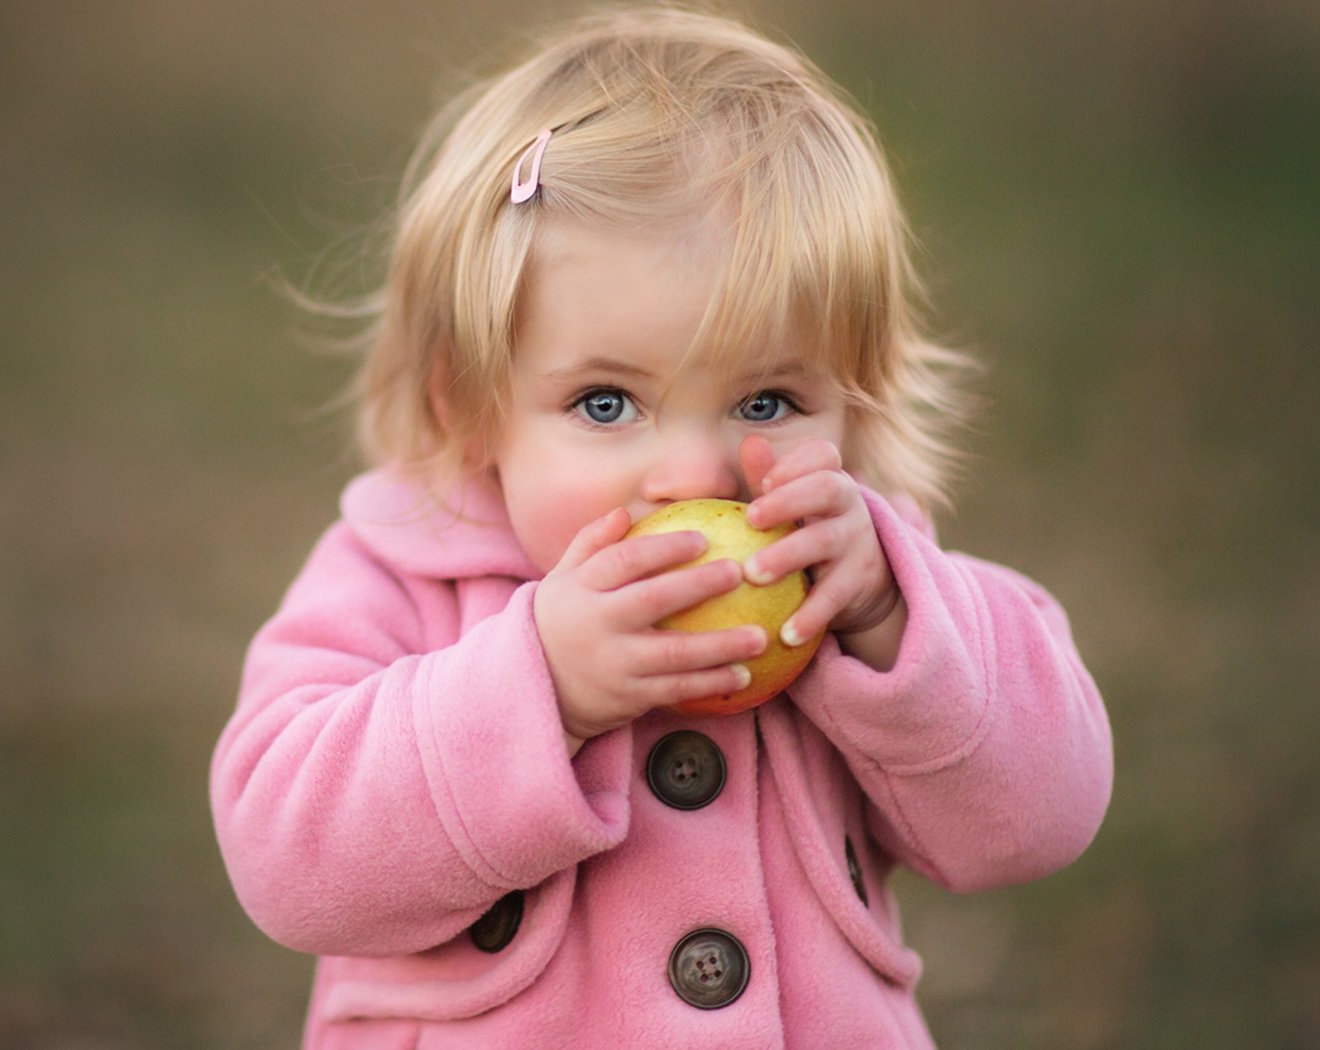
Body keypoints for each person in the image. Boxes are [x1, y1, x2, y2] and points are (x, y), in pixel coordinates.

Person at [210, 7, 1113, 1046]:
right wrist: (540, 689)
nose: (695, 473)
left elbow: (1045, 815)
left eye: (768, 401)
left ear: (856, 408)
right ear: (468, 404)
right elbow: (287, 860)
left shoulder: (858, 587)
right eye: (606, 403)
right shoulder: (398, 575)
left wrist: (890, 616)